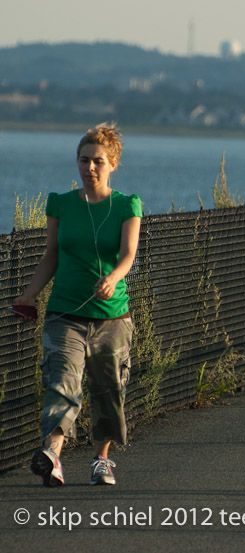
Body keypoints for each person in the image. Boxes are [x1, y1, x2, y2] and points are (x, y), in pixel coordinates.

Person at [12, 123, 142, 486]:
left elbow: (129, 254)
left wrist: (113, 278)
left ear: (112, 164)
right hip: (64, 312)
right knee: (61, 382)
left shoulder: (126, 205)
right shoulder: (62, 203)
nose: (90, 168)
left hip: (112, 316)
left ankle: (101, 459)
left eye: (98, 161)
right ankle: (52, 454)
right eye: (84, 160)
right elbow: (50, 255)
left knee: (109, 389)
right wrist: (29, 294)